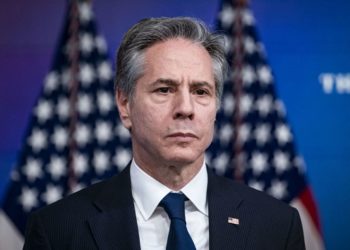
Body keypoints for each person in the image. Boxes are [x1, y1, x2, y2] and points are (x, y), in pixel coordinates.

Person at [23, 17, 305, 250]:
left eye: (200, 91)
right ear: (124, 104)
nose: (185, 108)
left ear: (216, 107)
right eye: (164, 89)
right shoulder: (57, 231)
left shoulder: (277, 226)